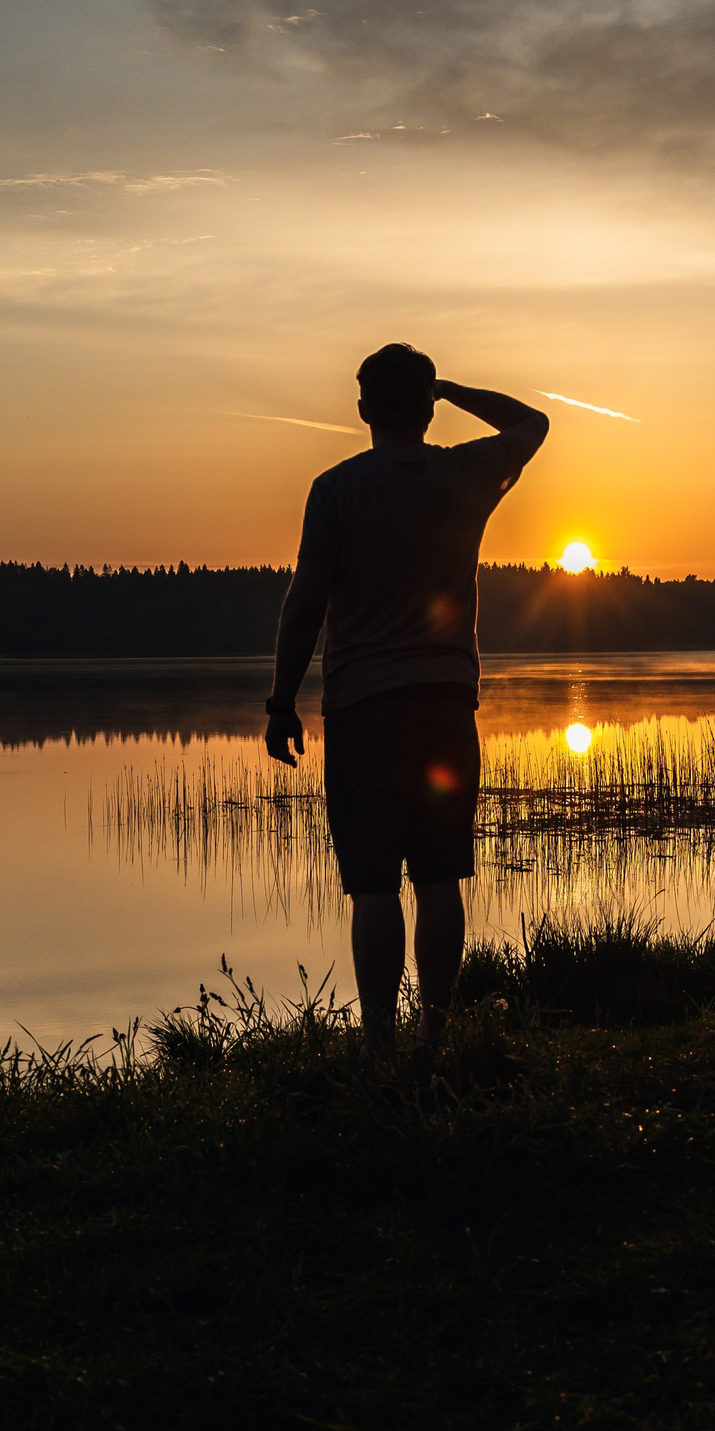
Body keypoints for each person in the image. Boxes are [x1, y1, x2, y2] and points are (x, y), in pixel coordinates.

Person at [265, 344, 549, 1058]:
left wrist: (280, 702)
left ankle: (380, 1046)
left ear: (363, 409)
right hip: (445, 707)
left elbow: (305, 604)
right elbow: (532, 422)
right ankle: (433, 1037)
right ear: (427, 408)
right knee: (439, 876)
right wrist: (450, 389)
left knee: (373, 886)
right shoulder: (466, 475)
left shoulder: (336, 489)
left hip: (363, 710)